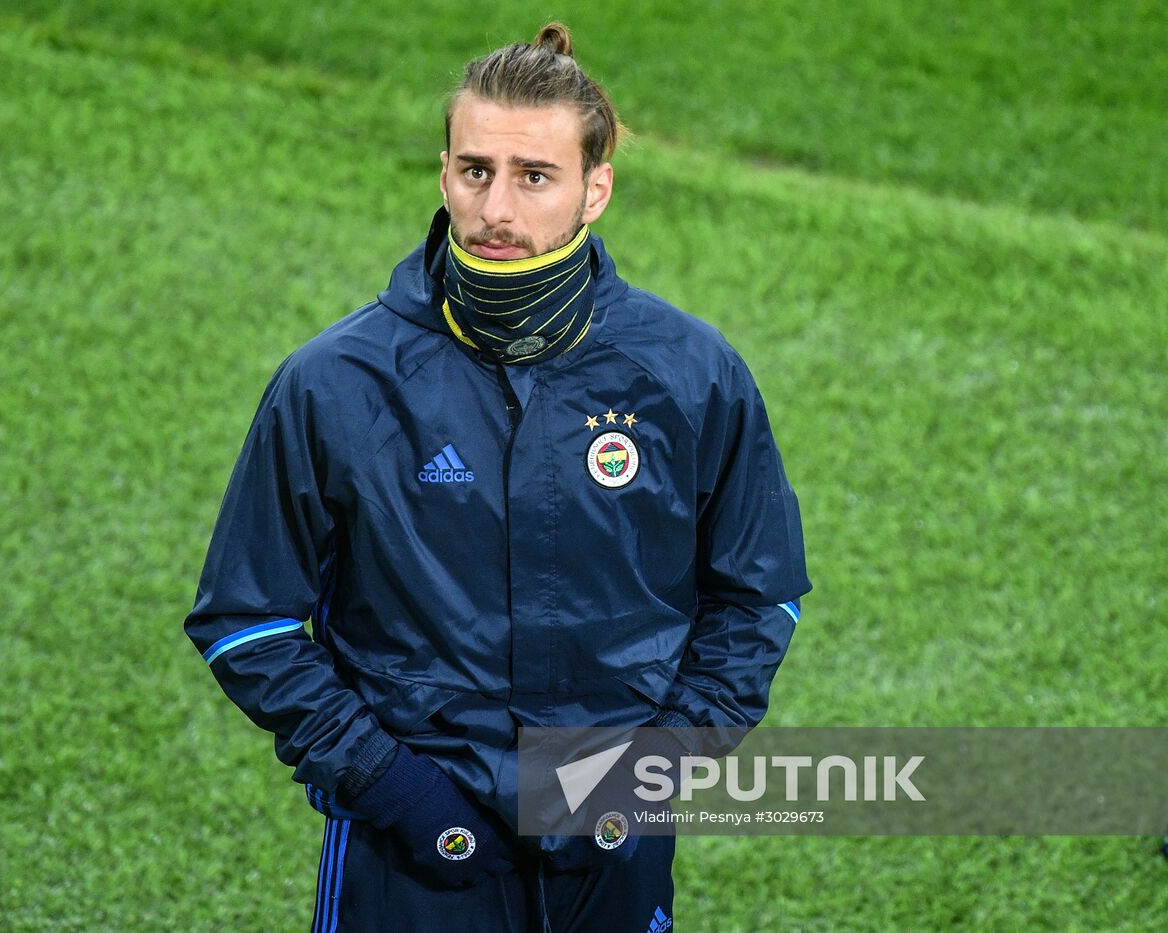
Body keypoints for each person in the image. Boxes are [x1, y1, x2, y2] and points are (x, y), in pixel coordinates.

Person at [184, 22, 809, 932]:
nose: (498, 210)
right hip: (408, 854)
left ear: (596, 190)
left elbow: (758, 597)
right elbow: (246, 620)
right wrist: (395, 788)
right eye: (476, 171)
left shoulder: (691, 374)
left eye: (534, 176)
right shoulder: (333, 384)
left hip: (613, 847)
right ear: (443, 174)